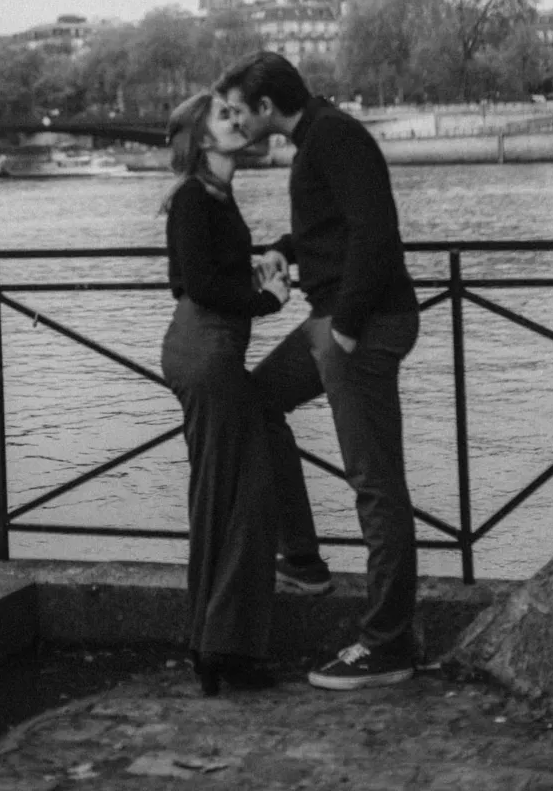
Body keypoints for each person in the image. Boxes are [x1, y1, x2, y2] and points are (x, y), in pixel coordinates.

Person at [217, 53, 420, 691]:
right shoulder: (318, 137)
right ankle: (303, 559)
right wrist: (284, 247)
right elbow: (333, 226)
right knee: (255, 401)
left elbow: (375, 232)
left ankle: (387, 646)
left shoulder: (334, 137)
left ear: (267, 109)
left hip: (360, 326)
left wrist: (349, 327)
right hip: (333, 322)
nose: (233, 121)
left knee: (375, 482)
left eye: (238, 111)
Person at [160, 89, 290, 697]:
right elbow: (201, 285)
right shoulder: (193, 197)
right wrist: (267, 299)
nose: (238, 120)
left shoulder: (214, 193)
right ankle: (220, 648)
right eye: (224, 116)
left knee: (228, 496)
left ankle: (215, 647)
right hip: (208, 355)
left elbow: (183, 278)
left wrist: (261, 263)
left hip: (208, 351)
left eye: (236, 112)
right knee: (242, 497)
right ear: (202, 137)